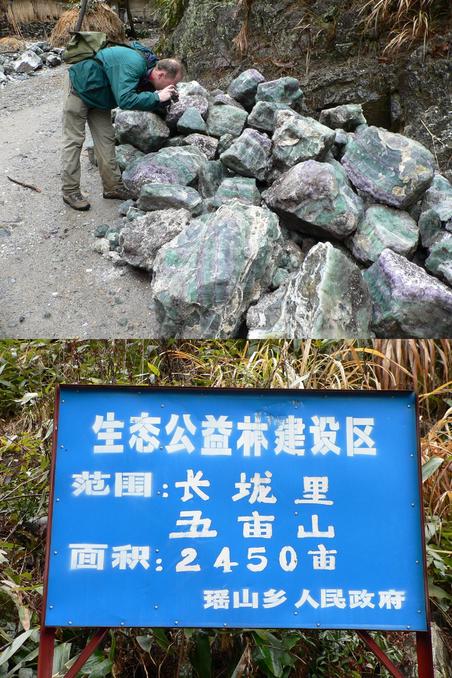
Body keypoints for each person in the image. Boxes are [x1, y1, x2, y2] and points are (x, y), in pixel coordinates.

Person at [62, 45, 183, 211]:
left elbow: (142, 99)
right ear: (161, 74)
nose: (172, 88)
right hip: (80, 86)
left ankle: (112, 187)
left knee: (106, 139)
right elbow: (125, 100)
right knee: (74, 141)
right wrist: (156, 96)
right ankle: (70, 191)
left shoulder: (149, 73)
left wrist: (162, 102)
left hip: (100, 96)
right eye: (172, 84)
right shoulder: (134, 64)